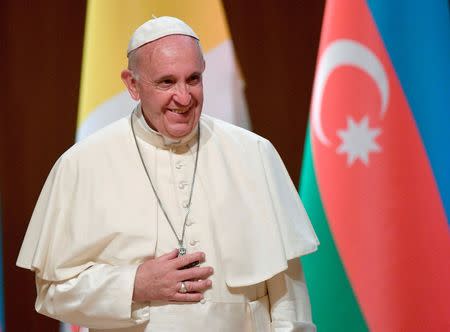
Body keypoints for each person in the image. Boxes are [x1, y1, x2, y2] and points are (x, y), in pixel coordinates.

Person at [17, 16, 319, 331]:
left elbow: (288, 297)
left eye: (193, 79)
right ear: (132, 85)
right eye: (166, 82)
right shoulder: (81, 165)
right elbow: (53, 294)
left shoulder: (254, 153)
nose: (184, 98)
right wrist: (134, 284)